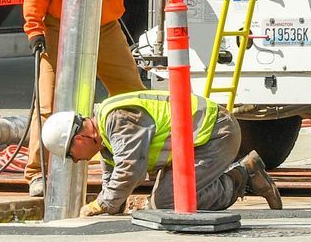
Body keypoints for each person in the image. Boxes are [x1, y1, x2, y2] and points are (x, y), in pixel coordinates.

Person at [21, 0, 166, 197]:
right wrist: (34, 27)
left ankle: (146, 162)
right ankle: (37, 172)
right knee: (49, 104)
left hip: (103, 25)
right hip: (58, 26)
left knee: (134, 96)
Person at [41, 90, 282, 217]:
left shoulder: (118, 120)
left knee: (167, 202)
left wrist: (103, 204)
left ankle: (243, 177)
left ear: (80, 138)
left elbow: (130, 169)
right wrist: (112, 205)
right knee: (164, 200)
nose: (76, 161)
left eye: (71, 155)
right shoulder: (105, 140)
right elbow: (113, 177)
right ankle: (237, 177)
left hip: (215, 134)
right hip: (198, 141)